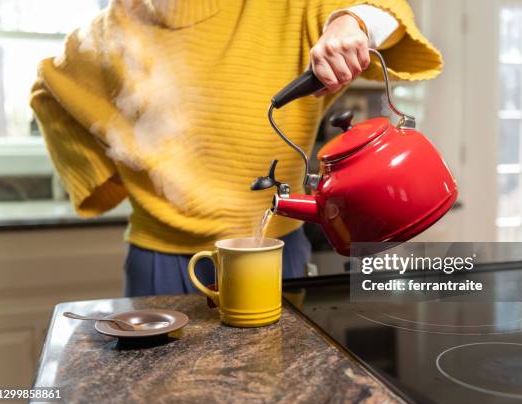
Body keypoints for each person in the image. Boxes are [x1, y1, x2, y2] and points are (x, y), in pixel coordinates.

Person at [30, 0, 442, 296]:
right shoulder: (110, 31)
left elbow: (384, 10)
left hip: (276, 250)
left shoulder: (284, 7)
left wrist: (349, 26)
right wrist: (112, 170)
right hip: (160, 255)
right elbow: (47, 88)